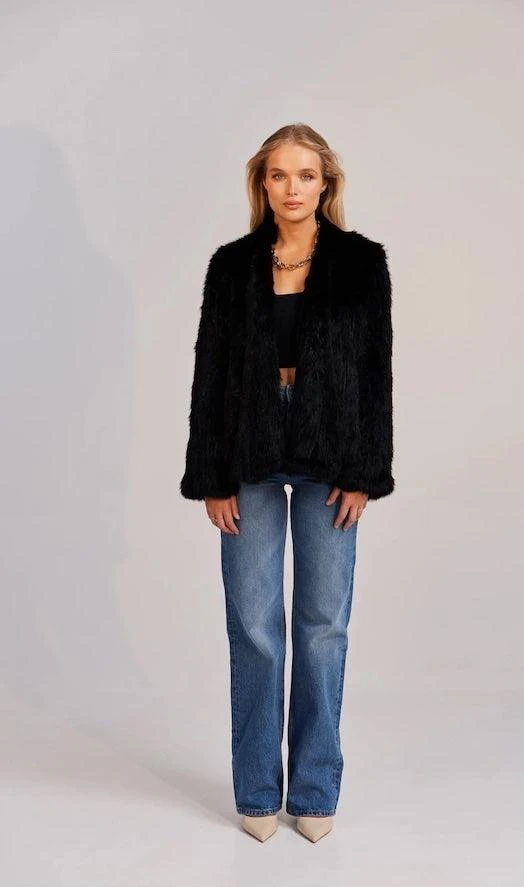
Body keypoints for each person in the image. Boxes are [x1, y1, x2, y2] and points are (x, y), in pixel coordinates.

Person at [180, 122, 394, 843]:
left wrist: (365, 471)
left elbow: (375, 374)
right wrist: (211, 475)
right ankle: (256, 790)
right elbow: (210, 372)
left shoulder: (361, 263)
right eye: (278, 175)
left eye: (305, 175)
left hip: (333, 450)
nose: (292, 188)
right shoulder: (231, 265)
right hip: (248, 445)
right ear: (262, 184)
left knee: (323, 627)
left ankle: (313, 790)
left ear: (325, 182)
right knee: (254, 626)